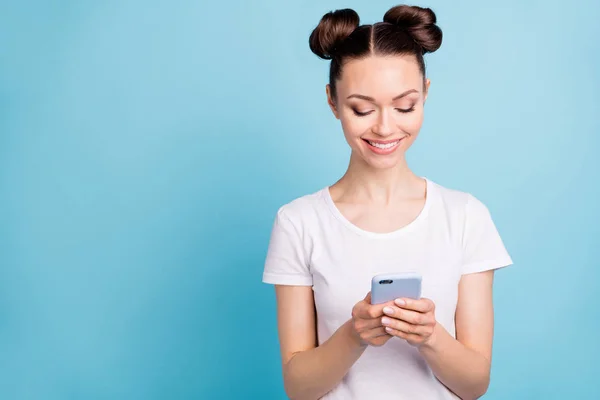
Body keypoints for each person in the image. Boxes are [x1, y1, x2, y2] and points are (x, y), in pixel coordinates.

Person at [262, 5, 513, 400]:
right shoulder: (298, 222)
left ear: (425, 94)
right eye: (361, 108)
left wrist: (430, 337)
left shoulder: (465, 216)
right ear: (332, 101)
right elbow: (298, 387)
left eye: (404, 106)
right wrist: (354, 335)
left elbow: (475, 384)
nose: (384, 127)